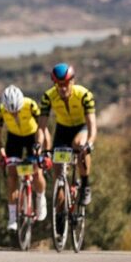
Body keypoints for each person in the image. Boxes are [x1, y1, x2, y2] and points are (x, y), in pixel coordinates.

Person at [37, 62, 97, 206]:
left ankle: (85, 185)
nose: (63, 88)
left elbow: (92, 125)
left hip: (81, 128)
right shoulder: (48, 97)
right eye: (59, 84)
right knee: (58, 174)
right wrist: (38, 147)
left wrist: (90, 143)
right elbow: (41, 127)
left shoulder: (84, 95)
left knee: (79, 145)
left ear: (72, 81)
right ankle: (60, 214)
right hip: (62, 130)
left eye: (65, 84)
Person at [0, 84, 47, 231]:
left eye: (16, 111)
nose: (14, 115)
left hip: (32, 137)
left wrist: (43, 148)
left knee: (36, 172)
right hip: (14, 139)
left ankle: (40, 198)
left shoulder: (30, 105)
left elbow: (43, 129)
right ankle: (12, 217)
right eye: (11, 113)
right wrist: (2, 153)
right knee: (11, 175)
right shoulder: (1, 110)